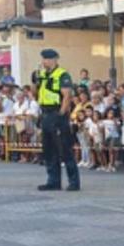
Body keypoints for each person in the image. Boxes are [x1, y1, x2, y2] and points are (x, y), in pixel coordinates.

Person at [35, 49, 80, 191]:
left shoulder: (62, 74)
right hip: (45, 113)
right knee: (49, 150)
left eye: (46, 59)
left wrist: (61, 114)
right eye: (43, 59)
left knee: (65, 149)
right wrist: (34, 81)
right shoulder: (42, 74)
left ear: (54, 60)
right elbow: (36, 93)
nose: (43, 62)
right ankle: (53, 181)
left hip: (56, 114)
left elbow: (67, 96)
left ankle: (74, 182)